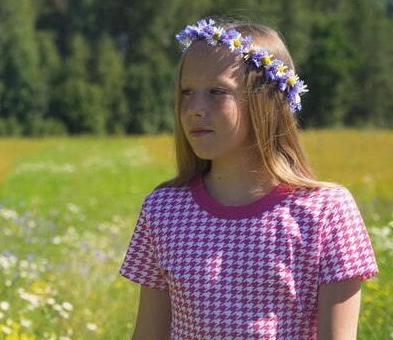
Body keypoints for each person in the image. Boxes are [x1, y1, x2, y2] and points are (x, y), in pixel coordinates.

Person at [119, 18, 378, 339]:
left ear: (266, 100)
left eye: (217, 91)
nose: (194, 108)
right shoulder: (163, 211)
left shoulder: (326, 212)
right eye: (187, 91)